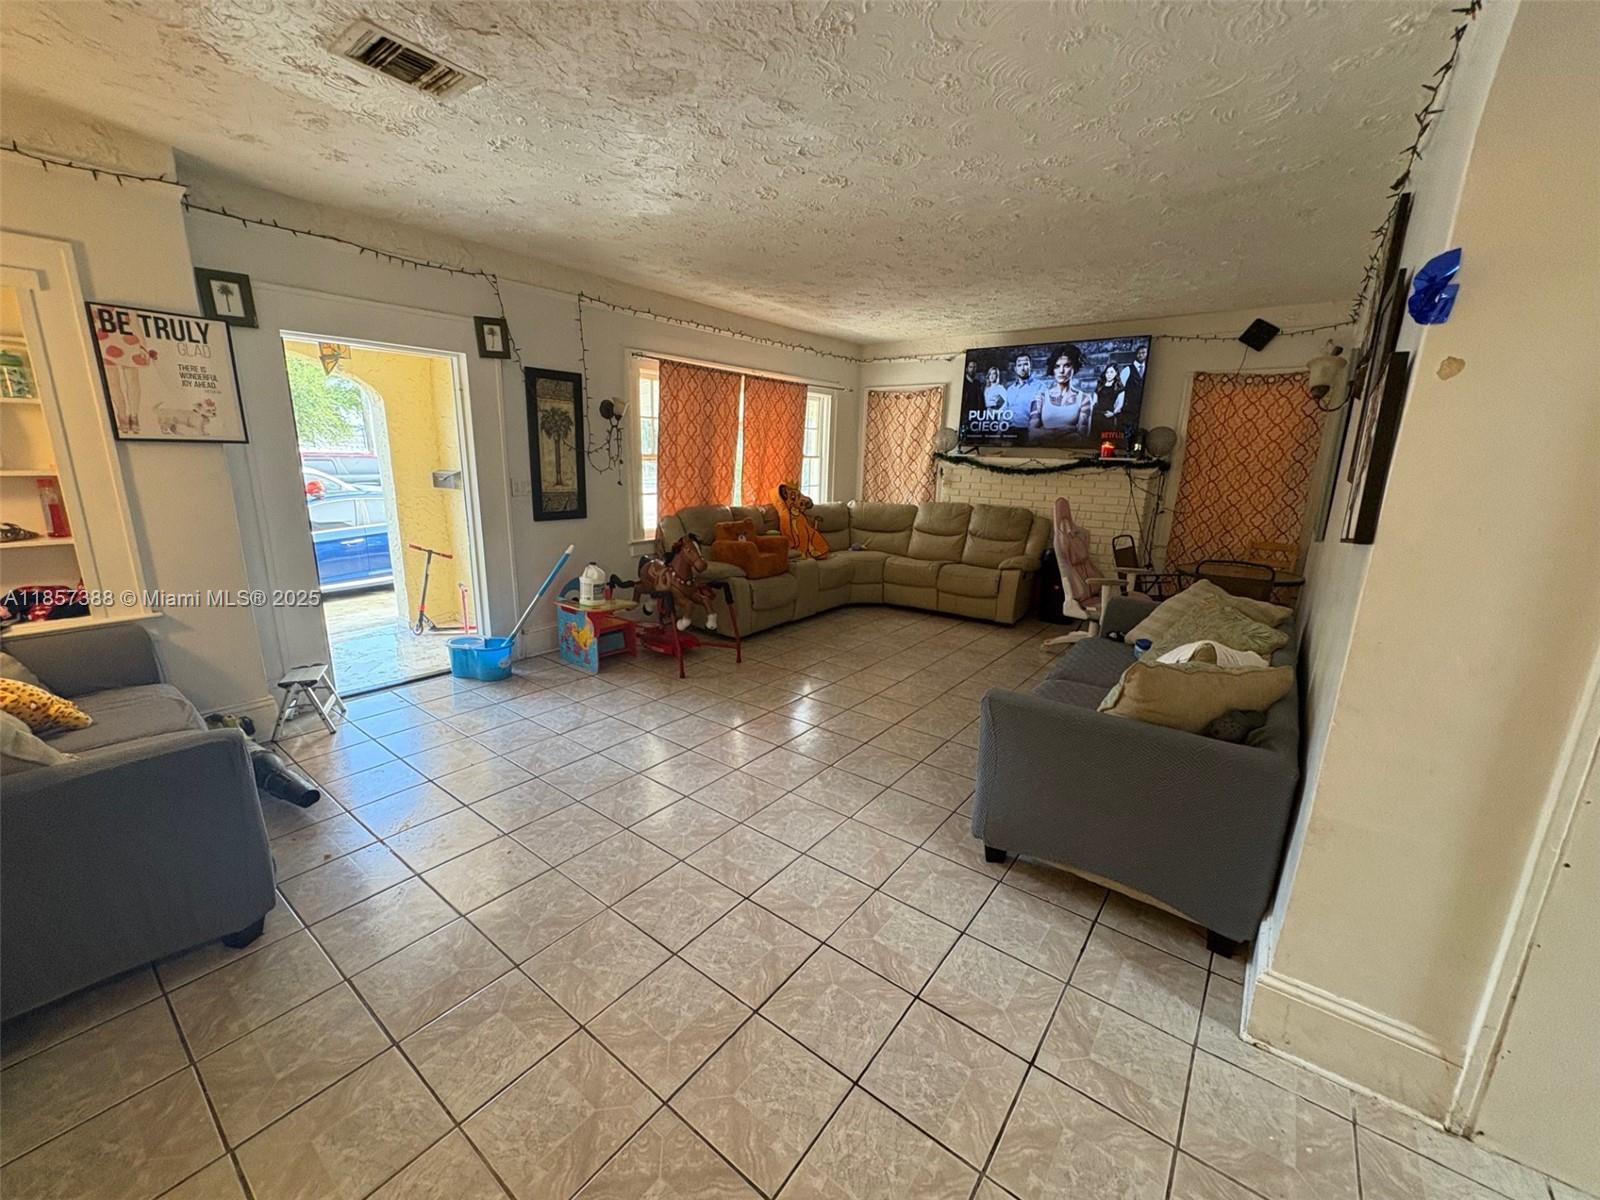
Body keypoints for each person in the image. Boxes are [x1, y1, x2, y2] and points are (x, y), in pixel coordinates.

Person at [1029, 346, 1091, 438]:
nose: (1061, 371)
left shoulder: (1084, 399)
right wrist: (1069, 429)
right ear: (1053, 369)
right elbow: (1032, 434)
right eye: (1057, 366)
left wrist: (1045, 433)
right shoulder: (1040, 398)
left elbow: (1082, 437)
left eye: (1067, 365)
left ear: (1074, 367)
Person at [1002, 352, 1045, 429]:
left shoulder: (1040, 387)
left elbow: (1044, 415)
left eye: (1025, 364)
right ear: (1015, 369)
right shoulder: (1010, 390)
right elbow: (1005, 414)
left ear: (1030, 366)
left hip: (1029, 432)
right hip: (1010, 432)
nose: (1022, 368)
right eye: (1019, 365)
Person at [1120, 343, 1149, 409]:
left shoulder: (1148, 369)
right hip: (1129, 407)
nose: (1141, 355)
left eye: (1143, 353)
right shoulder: (1127, 370)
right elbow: (1121, 388)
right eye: (1139, 353)